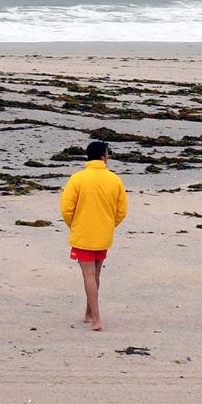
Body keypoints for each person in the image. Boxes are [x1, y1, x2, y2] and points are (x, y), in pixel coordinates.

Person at [59, 140, 127, 331]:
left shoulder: (77, 178)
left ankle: (96, 319)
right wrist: (109, 224)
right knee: (95, 274)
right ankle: (89, 313)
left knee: (88, 275)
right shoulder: (114, 180)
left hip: (84, 234)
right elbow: (121, 211)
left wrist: (74, 224)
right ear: (104, 156)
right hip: (103, 234)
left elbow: (66, 208)